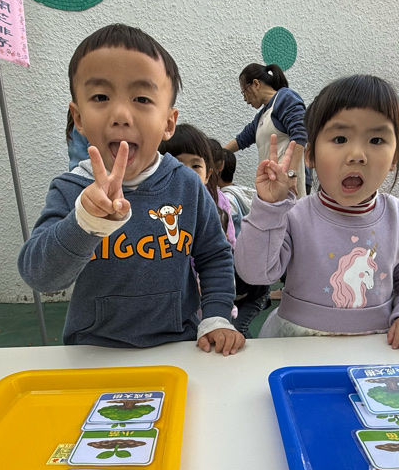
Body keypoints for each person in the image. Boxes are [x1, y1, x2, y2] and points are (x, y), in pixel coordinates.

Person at [18, 24, 244, 355]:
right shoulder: (70, 189)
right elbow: (40, 277)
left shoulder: (186, 185)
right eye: (100, 97)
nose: (121, 115)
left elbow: (214, 255)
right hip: (94, 352)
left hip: (179, 346)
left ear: (169, 122)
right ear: (78, 118)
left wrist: (216, 316)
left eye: (141, 99)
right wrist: (85, 222)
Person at [234, 74, 399, 349]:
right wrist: (268, 207)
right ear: (310, 156)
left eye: (376, 140)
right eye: (340, 138)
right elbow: (255, 273)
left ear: (394, 157)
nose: (357, 155)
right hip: (295, 347)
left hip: (377, 347)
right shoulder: (293, 215)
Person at [224, 63, 309, 196]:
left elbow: (300, 135)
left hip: (288, 183)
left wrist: (292, 174)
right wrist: (215, 154)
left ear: (256, 84)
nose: (245, 99)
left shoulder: (285, 98)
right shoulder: (261, 116)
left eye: (244, 92)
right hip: (270, 186)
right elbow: (241, 140)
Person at [214, 147, 271, 337]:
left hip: (251, 288)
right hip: (244, 283)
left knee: (238, 329)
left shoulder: (226, 201)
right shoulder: (243, 192)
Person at [160, 124, 235, 248]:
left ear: (207, 174)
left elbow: (229, 245)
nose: (188, 173)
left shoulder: (216, 207)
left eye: (195, 166)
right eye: (177, 165)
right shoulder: (156, 207)